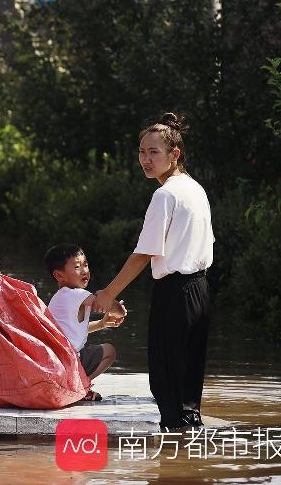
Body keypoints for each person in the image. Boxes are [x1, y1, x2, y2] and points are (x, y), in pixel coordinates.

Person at [93, 113, 214, 432]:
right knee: (188, 385)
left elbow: (144, 254)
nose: (145, 159)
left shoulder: (165, 195)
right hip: (200, 291)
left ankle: (173, 462)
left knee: (167, 382)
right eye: (142, 152)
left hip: (175, 293)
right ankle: (188, 461)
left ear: (175, 155)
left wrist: (108, 293)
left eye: (154, 152)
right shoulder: (195, 189)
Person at [44, 243, 127, 398]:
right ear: (59, 275)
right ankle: (81, 388)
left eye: (86, 265)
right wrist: (119, 309)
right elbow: (110, 305)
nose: (85, 271)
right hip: (67, 363)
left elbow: (73, 331)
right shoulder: (76, 294)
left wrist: (102, 324)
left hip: (59, 364)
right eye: (77, 267)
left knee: (97, 350)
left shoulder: (61, 296)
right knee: (109, 351)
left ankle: (75, 386)